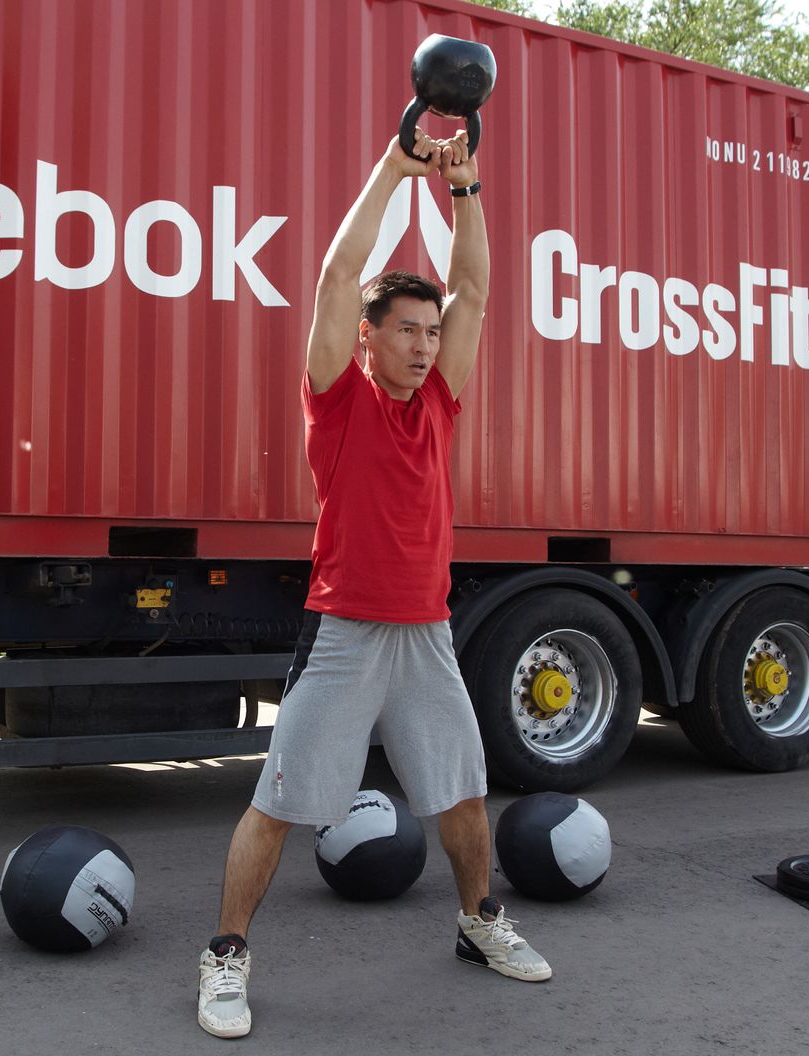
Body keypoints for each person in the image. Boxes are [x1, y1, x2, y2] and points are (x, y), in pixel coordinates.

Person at [195, 127, 551, 1040]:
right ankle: (225, 957)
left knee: (464, 795)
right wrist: (398, 169)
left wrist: (464, 191)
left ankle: (478, 924)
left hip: (426, 632)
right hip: (344, 629)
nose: (429, 346)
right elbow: (332, 275)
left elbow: (473, 286)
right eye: (409, 331)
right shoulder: (337, 397)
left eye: (434, 334)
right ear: (369, 337)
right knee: (277, 807)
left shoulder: (439, 402)